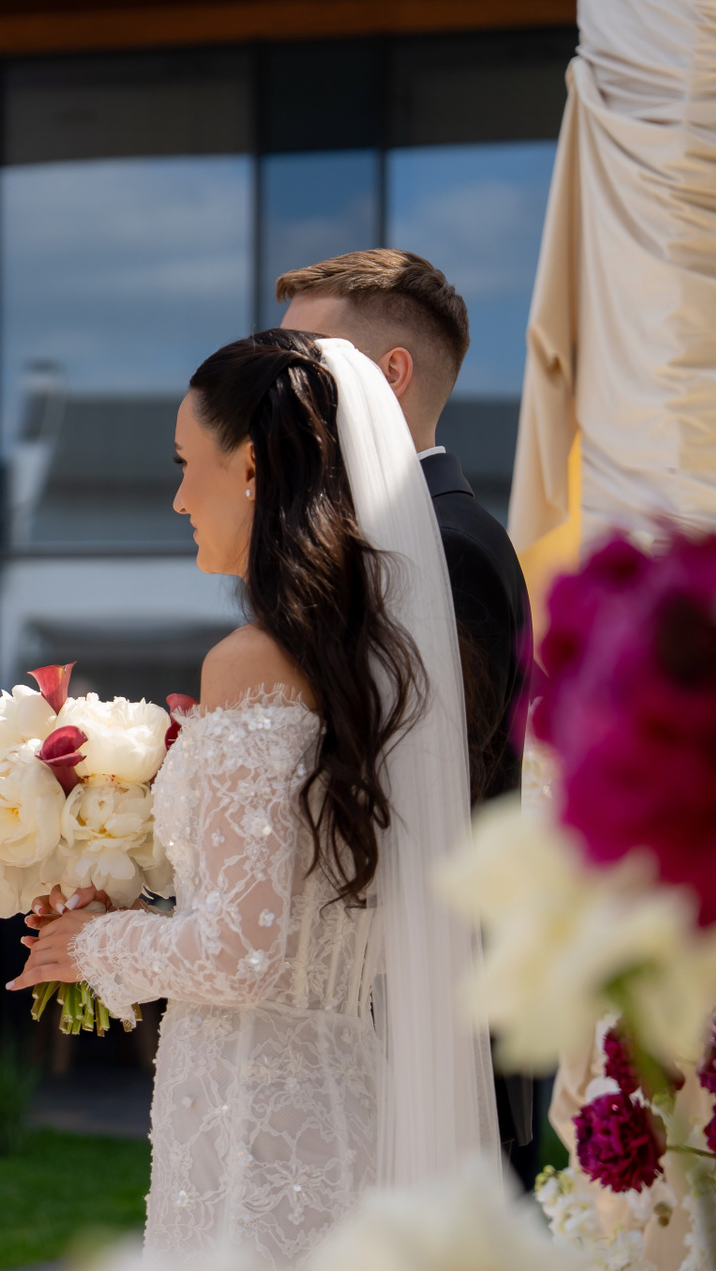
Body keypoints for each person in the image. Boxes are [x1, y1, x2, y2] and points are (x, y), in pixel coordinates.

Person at [13, 329, 497, 1265]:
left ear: (251, 469)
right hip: (343, 1087)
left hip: (251, 1127)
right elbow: (286, 914)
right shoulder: (380, 663)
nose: (177, 498)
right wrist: (135, 911)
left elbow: (238, 955)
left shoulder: (249, 662)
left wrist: (92, 946)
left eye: (186, 463)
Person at [276, 249, 538, 1187]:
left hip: (434, 1033)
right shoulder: (393, 535)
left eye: (305, 360)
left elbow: (431, 799)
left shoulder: (450, 547)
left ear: (389, 373)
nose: (280, 387)